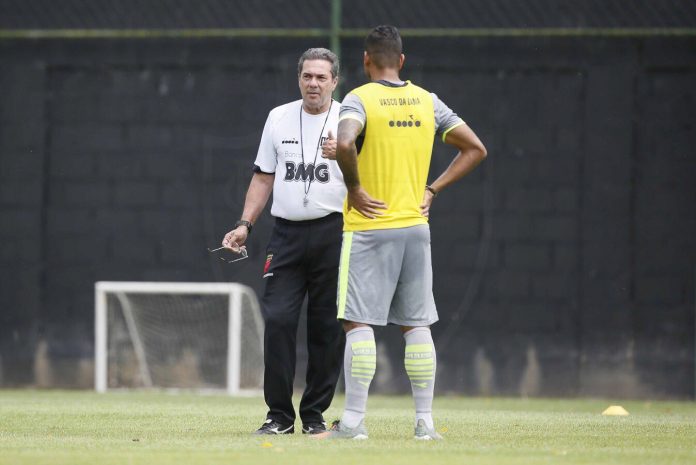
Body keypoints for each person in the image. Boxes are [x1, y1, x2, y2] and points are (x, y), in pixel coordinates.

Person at [315, 25, 487, 440]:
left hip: (370, 228)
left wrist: (355, 188)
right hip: (415, 227)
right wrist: (432, 189)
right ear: (402, 61)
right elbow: (475, 149)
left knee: (357, 323)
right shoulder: (428, 101)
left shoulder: (360, 98)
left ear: (366, 60)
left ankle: (352, 423)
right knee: (417, 325)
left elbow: (345, 141)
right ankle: (425, 424)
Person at [221, 48, 346, 435]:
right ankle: (278, 416)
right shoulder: (278, 117)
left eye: (321, 77)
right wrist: (245, 224)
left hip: (334, 232)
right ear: (299, 79)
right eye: (307, 76)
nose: (313, 83)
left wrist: (344, 153)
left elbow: (368, 174)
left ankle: (314, 415)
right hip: (286, 234)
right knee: (277, 319)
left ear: (335, 81)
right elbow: (263, 176)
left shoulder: (349, 118)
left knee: (327, 326)